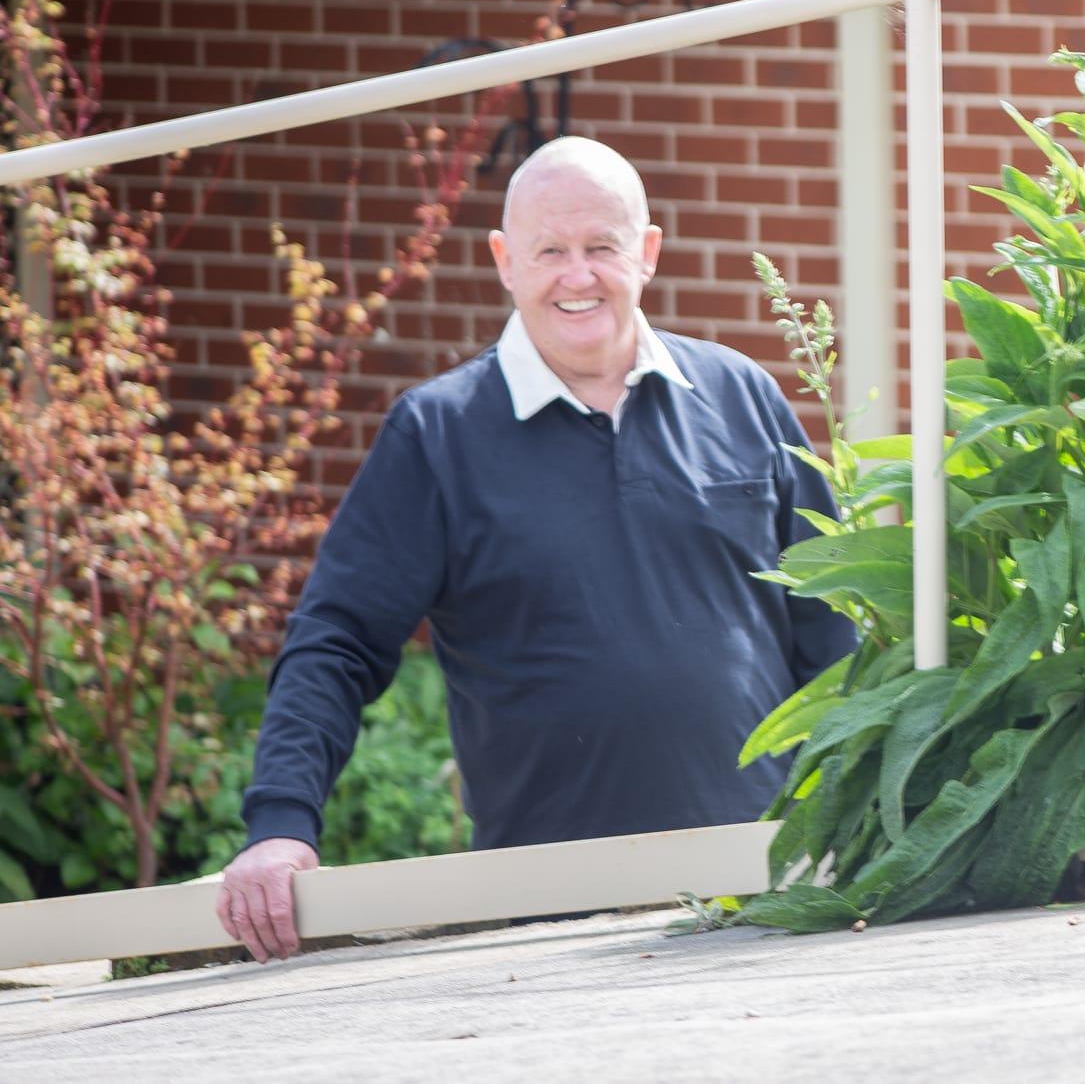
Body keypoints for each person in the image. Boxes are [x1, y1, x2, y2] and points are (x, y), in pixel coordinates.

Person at [216, 136, 854, 961]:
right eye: (549, 250)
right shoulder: (438, 434)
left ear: (648, 251)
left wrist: (863, 802)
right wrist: (280, 822)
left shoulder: (742, 397)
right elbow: (337, 641)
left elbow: (832, 630)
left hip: (767, 885)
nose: (576, 275)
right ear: (504, 261)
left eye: (601, 246)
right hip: (546, 919)